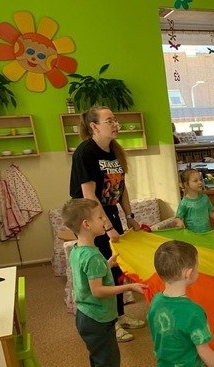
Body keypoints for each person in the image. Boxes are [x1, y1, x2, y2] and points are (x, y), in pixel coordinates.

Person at [61, 198, 147, 367]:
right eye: (100, 218)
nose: (104, 221)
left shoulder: (79, 250)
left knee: (100, 357)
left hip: (88, 316)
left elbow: (89, 275)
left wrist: (107, 264)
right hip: (97, 318)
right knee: (108, 360)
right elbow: (97, 290)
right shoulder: (91, 255)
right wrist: (129, 287)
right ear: (87, 224)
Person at [69, 106, 146, 343]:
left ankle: (119, 316)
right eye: (109, 121)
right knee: (102, 269)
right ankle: (109, 323)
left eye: (115, 120)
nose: (115, 124)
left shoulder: (114, 150)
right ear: (94, 126)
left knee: (116, 267)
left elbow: (120, 187)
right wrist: (107, 227)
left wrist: (129, 215)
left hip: (108, 212)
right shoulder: (85, 153)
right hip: (90, 217)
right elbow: (89, 195)